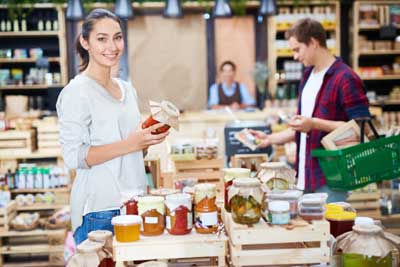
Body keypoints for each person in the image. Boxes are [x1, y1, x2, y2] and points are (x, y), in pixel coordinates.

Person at [56, 9, 169, 245]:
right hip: (100, 209)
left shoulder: (127, 90)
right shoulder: (77, 92)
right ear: (85, 42)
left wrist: (146, 139)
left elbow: (130, 149)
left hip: (136, 204)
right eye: (101, 39)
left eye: (118, 37)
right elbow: (74, 156)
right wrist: (130, 143)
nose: (112, 46)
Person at [250, 18, 370, 202]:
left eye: (297, 49)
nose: (295, 56)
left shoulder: (346, 78)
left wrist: (314, 123)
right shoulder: (307, 75)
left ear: (313, 42)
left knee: (329, 229)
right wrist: (269, 139)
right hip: (306, 175)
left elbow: (363, 129)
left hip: (332, 176)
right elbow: (304, 128)